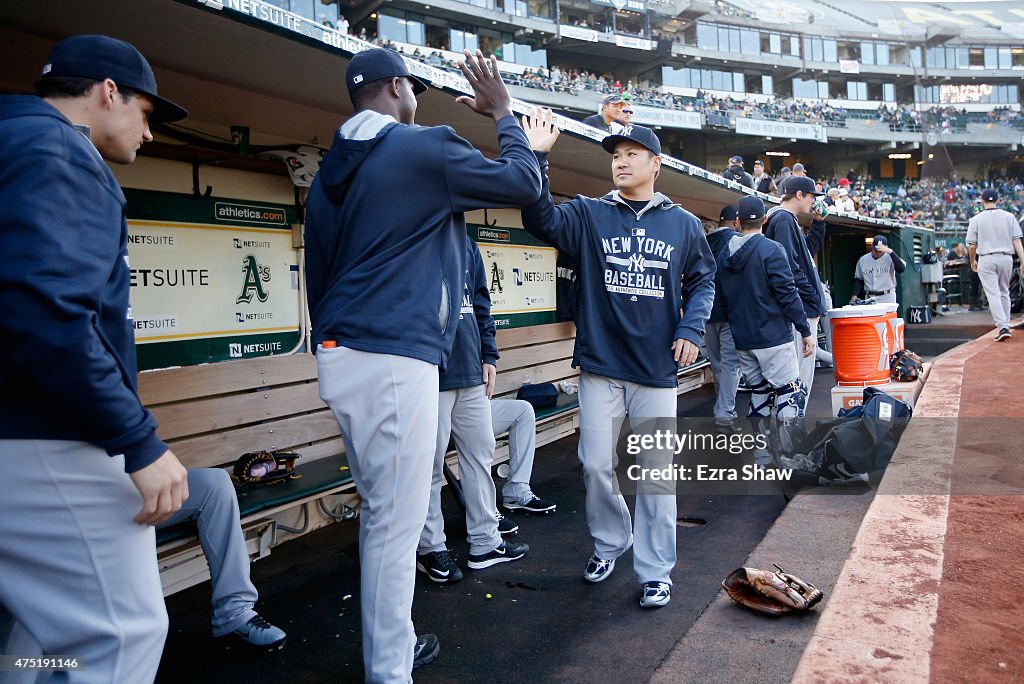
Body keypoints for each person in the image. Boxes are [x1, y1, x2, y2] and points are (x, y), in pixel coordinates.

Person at [303, 48, 541, 681]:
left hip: (342, 355)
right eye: (412, 86)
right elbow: (523, 183)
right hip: (391, 356)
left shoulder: (332, 168)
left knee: (385, 510)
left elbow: (318, 275)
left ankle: (394, 644)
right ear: (396, 88)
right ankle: (390, 669)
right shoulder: (420, 145)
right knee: (394, 522)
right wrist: (506, 114)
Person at [0, 35, 190, 681]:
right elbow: (46, 314)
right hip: (38, 434)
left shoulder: (12, 138)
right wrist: (136, 440)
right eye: (145, 111)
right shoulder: (57, 148)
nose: (150, 133)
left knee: (37, 636)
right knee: (121, 634)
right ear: (108, 91)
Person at [521, 113, 716, 609]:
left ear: (656, 164)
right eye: (615, 156)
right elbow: (539, 219)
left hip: (656, 367)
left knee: (655, 472)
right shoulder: (589, 213)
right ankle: (611, 542)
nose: (621, 162)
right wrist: (538, 157)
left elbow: (703, 280)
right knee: (593, 465)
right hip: (602, 364)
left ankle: (654, 570)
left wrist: (691, 328)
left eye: (631, 154)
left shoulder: (684, 224)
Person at [416, 235, 530, 585]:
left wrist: (489, 356)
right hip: (428, 374)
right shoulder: (411, 231)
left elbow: (481, 301)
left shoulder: (464, 241)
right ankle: (430, 548)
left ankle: (485, 542)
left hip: (470, 372)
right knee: (429, 469)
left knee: (480, 458)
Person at [716, 197, 814, 448]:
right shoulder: (771, 249)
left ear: (738, 221)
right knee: (790, 394)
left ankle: (761, 458)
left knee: (759, 395)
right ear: (765, 219)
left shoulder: (724, 252)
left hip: (743, 338)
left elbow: (723, 298)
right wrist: (805, 329)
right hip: (773, 337)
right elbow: (788, 294)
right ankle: (792, 457)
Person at [763, 176, 827, 412]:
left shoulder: (787, 220)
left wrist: (818, 223)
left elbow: (806, 254)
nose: (814, 201)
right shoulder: (782, 219)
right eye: (812, 196)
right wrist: (811, 296)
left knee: (798, 378)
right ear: (799, 195)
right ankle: (792, 433)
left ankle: (791, 430)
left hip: (801, 308)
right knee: (797, 381)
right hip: (798, 310)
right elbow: (789, 267)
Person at [967, 188, 1024, 341]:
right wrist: (1023, 261)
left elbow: (972, 245)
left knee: (994, 294)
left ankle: (1002, 326)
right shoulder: (1009, 216)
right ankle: (1005, 323)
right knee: (1004, 292)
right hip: (1006, 257)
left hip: (986, 257)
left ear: (982, 201)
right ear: (998, 200)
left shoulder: (976, 219)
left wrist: (973, 261)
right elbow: (1017, 241)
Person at [704, 206, 742, 433]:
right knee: (730, 366)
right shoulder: (736, 241)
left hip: (706, 312)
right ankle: (725, 416)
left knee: (718, 364)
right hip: (729, 312)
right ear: (736, 221)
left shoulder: (705, 242)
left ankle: (723, 411)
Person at [492, 399, 557, 514]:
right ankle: (484, 513)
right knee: (476, 428)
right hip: (455, 412)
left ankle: (517, 491)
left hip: (475, 402)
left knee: (524, 410)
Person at [851, 235, 905, 306]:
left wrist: (891, 252)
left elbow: (901, 269)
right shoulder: (863, 260)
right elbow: (859, 279)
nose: (877, 253)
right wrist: (855, 294)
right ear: (872, 247)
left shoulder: (891, 258)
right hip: (870, 297)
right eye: (875, 250)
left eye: (880, 251)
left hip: (887, 297)